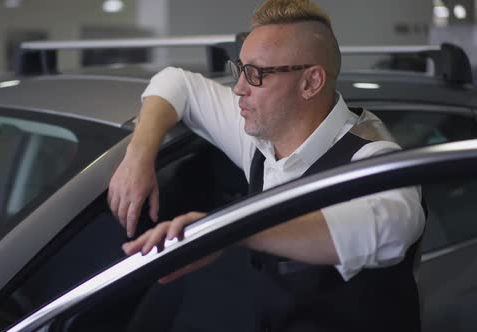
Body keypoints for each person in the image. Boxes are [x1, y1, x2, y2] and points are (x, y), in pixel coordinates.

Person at [108, 0, 426, 330]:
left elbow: (386, 228)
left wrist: (226, 231)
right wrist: (138, 155)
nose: (239, 89)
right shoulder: (262, 135)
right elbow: (176, 83)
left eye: (256, 74)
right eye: (240, 69)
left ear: (311, 83)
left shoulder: (375, 159)